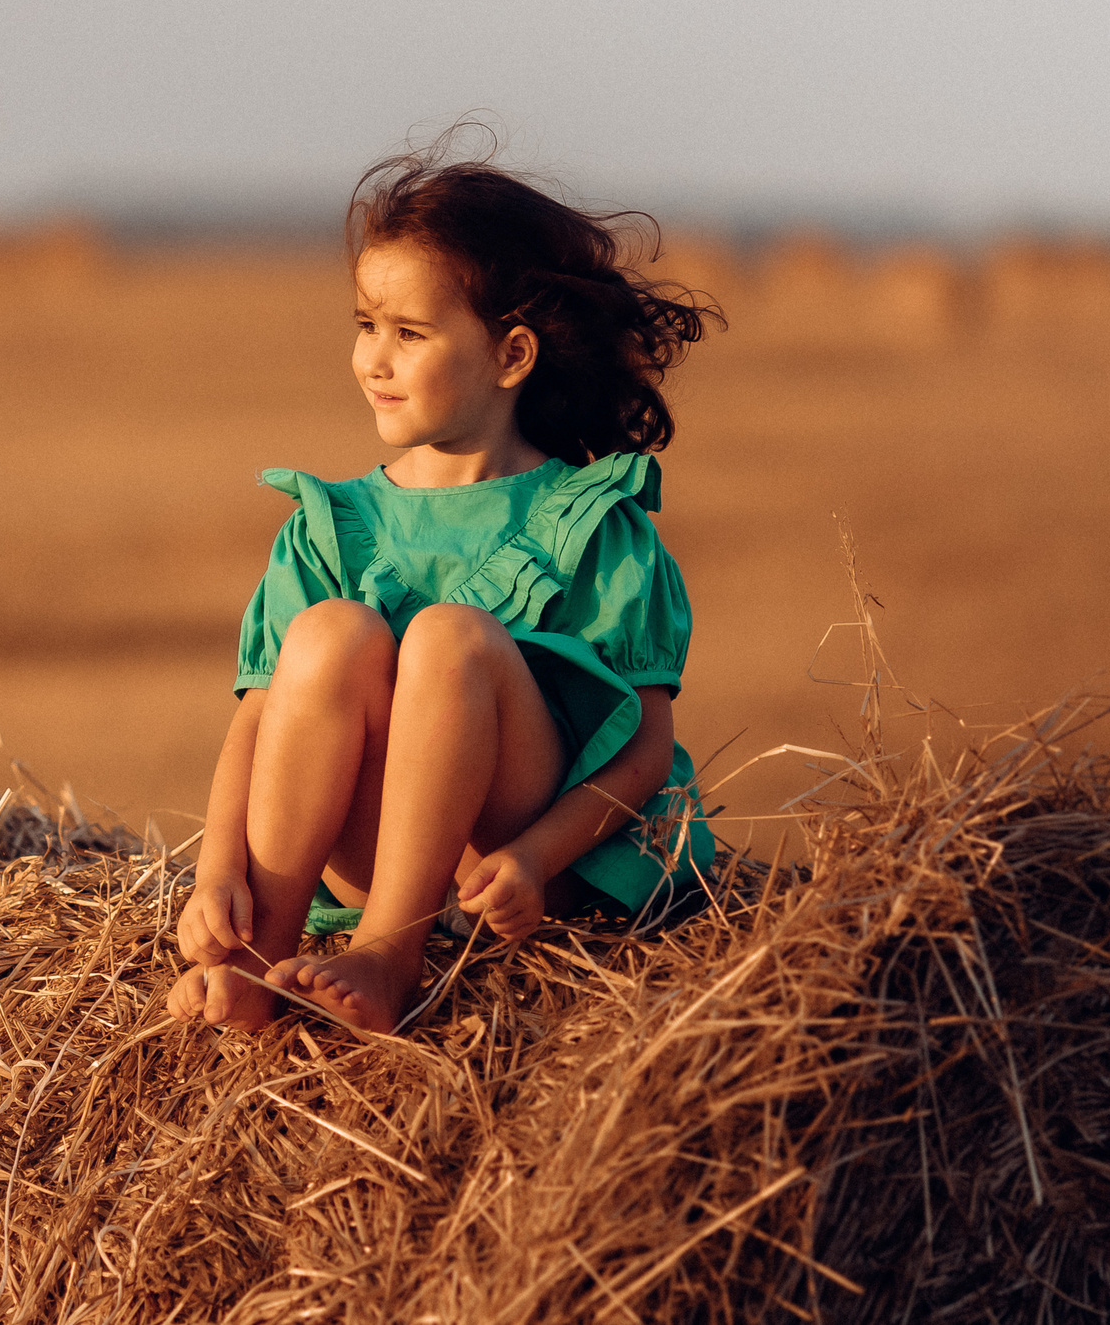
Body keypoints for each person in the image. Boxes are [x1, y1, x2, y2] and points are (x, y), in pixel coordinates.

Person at [165, 136, 719, 1034]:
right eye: (364, 325)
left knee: (450, 638)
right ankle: (263, 955)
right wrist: (214, 868)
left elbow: (648, 750)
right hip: (367, 841)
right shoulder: (326, 527)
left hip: (510, 842)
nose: (374, 359)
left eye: (410, 334)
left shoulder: (594, 522)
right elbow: (259, 720)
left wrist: (539, 858)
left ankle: (391, 951)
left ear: (510, 356)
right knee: (331, 635)